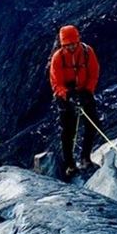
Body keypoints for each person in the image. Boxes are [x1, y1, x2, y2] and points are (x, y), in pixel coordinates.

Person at [49, 24, 101, 177]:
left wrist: (88, 91)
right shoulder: (58, 57)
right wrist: (67, 95)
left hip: (84, 92)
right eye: (67, 45)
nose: (71, 47)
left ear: (78, 41)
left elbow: (94, 72)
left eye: (73, 44)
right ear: (62, 44)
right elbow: (55, 82)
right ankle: (70, 164)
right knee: (68, 131)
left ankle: (85, 158)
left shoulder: (87, 52)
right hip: (65, 96)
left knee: (92, 125)